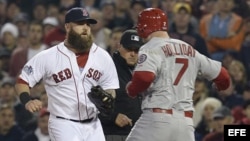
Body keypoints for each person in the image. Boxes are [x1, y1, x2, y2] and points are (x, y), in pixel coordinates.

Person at [125, 8, 231, 141]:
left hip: (157, 119)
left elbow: (144, 77)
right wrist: (221, 86)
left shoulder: (150, 47)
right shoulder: (188, 48)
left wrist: (132, 89)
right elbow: (223, 76)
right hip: (185, 124)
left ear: (143, 28)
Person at [14, 7, 119, 141]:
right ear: (68, 27)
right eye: (80, 24)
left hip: (93, 125)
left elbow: (110, 87)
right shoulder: (49, 56)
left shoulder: (102, 56)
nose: (85, 28)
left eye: (88, 24)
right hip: (63, 123)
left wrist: (108, 99)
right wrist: (27, 100)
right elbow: (22, 81)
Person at [99, 29, 143, 141]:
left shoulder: (141, 71)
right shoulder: (107, 69)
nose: (133, 54)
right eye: (129, 49)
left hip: (137, 134)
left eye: (136, 50)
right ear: (119, 47)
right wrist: (113, 117)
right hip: (113, 134)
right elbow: (91, 101)